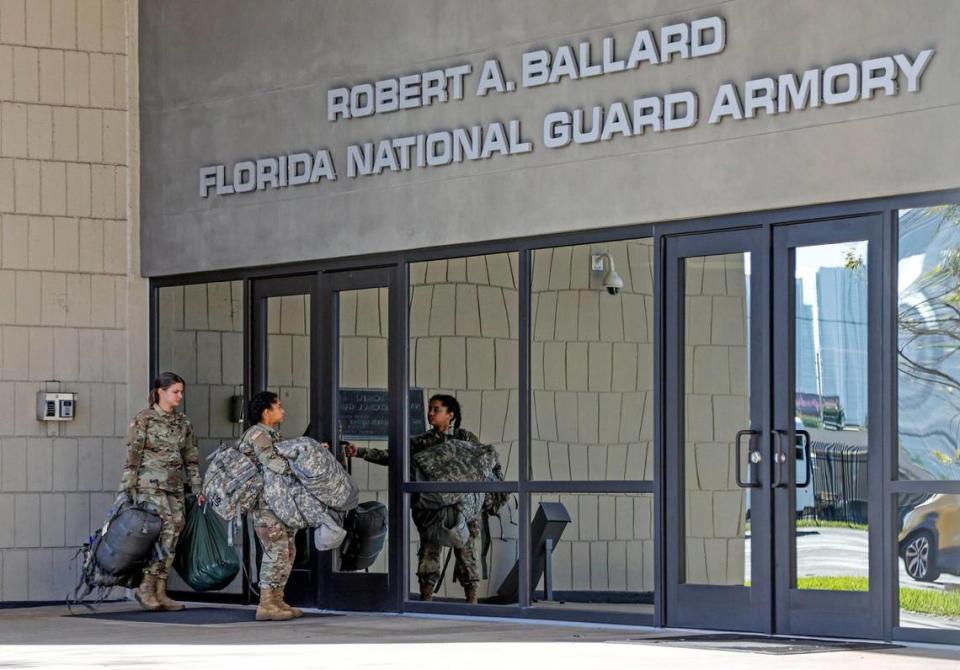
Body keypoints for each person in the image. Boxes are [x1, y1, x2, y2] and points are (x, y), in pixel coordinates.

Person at [345, 394, 498, 604]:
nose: (430, 413)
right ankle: (427, 597)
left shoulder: (466, 439)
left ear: (450, 415)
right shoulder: (423, 441)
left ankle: (471, 599)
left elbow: (483, 465)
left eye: (436, 409)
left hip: (465, 508)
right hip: (433, 509)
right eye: (430, 409)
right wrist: (361, 452)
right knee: (429, 551)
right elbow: (394, 457)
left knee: (467, 552)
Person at [120, 372, 204, 611]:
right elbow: (133, 457)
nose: (180, 396)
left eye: (181, 392)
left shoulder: (182, 423)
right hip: (149, 485)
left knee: (176, 528)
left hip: (174, 486)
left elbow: (191, 457)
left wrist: (197, 486)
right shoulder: (144, 420)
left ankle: (160, 589)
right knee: (165, 529)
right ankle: (146, 587)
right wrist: (127, 488)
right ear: (160, 392)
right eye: (175, 391)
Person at [239, 391, 302, 622]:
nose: (282, 410)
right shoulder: (258, 435)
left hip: (279, 504)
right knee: (275, 550)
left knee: (287, 551)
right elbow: (274, 463)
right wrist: (303, 463)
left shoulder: (273, 435)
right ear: (266, 412)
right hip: (265, 505)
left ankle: (277, 599)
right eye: (279, 406)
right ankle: (266, 603)